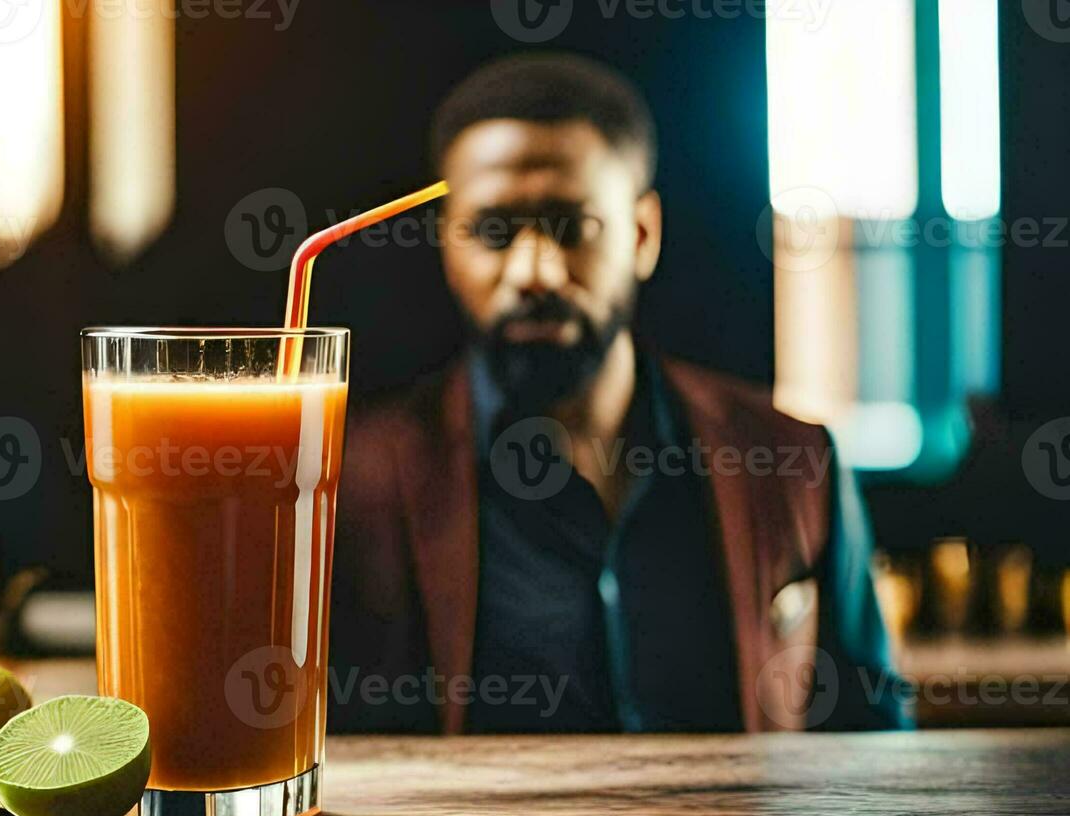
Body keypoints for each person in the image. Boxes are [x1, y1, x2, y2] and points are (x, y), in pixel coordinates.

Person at [329, 53, 910, 734]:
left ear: (642, 234)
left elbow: (875, 733)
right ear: (446, 244)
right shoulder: (351, 483)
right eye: (493, 231)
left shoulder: (792, 460)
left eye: (571, 228)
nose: (534, 270)